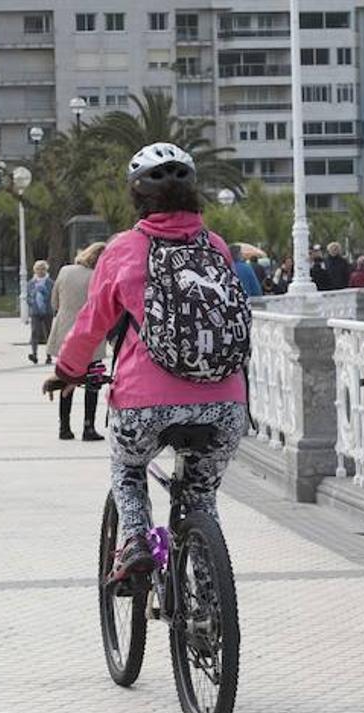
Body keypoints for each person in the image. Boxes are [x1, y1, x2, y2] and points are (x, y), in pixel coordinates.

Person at [44, 142, 250, 580]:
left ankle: (136, 539)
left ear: (136, 196)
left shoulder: (123, 248)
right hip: (227, 405)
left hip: (145, 404)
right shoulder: (216, 246)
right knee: (201, 498)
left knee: (128, 464)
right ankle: (206, 596)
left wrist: (67, 371)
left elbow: (91, 324)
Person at [46, 242, 107, 441]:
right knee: (92, 382)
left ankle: (64, 428)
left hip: (64, 335)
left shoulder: (65, 271)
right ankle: (88, 428)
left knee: (66, 380)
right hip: (91, 337)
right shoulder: (99, 278)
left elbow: (54, 302)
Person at [27, 260, 54, 364]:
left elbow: (53, 296)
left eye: (42, 269)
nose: (40, 271)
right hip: (35, 311)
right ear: (35, 270)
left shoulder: (50, 282)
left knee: (48, 333)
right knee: (34, 332)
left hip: (47, 311)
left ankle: (49, 355)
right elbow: (28, 297)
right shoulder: (31, 283)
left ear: (46, 270)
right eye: (38, 269)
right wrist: (32, 301)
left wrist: (45, 293)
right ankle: (34, 354)